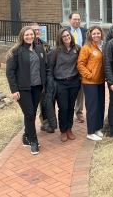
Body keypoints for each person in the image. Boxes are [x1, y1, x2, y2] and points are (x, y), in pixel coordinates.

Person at [6, 26, 46, 155]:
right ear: (22, 36)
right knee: (29, 114)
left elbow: (42, 68)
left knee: (32, 113)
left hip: (37, 87)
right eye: (27, 35)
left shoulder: (39, 49)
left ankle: (26, 137)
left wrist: (43, 85)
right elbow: (10, 72)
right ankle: (33, 141)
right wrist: (14, 90)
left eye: (31, 34)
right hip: (23, 88)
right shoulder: (16, 51)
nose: (30, 37)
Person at [47, 28, 81, 142]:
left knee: (71, 106)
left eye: (68, 35)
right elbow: (50, 68)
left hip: (74, 82)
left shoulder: (76, 48)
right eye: (64, 36)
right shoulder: (54, 51)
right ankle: (63, 130)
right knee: (63, 107)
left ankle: (69, 129)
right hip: (60, 82)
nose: (67, 37)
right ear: (60, 39)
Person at [77, 26, 106, 141]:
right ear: (90, 35)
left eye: (98, 33)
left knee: (100, 105)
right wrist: (90, 75)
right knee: (92, 107)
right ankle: (90, 132)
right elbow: (80, 65)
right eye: (94, 34)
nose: (96, 36)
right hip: (90, 82)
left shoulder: (103, 46)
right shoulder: (86, 48)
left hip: (100, 81)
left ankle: (98, 127)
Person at [30, 23, 53, 134]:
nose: (37, 32)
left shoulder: (45, 45)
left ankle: (45, 123)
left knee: (45, 102)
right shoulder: (25, 46)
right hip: (32, 80)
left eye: (38, 30)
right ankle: (29, 128)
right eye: (35, 30)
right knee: (32, 105)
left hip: (44, 78)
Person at [69, 12, 87, 124]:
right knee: (70, 90)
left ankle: (79, 112)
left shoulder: (85, 32)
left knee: (81, 90)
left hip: (82, 64)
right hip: (69, 65)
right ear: (70, 20)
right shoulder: (64, 32)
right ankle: (69, 112)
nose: (77, 21)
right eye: (75, 19)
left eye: (79, 19)